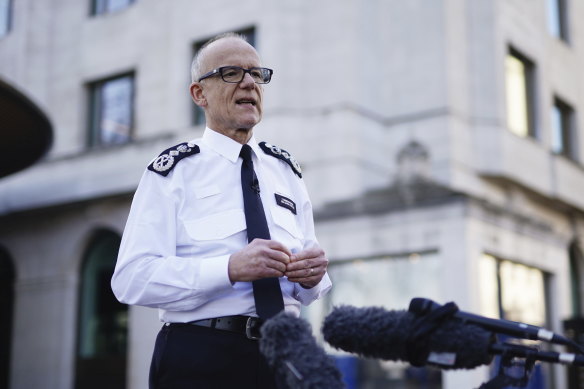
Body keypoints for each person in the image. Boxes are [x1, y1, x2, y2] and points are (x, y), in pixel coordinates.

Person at [111, 32, 332, 389]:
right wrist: (228, 269)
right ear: (199, 93)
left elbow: (312, 282)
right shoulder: (174, 171)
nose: (248, 82)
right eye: (231, 73)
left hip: (287, 355)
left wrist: (314, 276)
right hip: (202, 355)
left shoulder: (287, 170)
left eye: (257, 74)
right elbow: (131, 278)